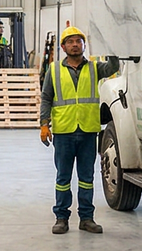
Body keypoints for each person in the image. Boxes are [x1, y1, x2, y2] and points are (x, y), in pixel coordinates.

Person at [40, 26, 118, 234]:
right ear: (63, 46)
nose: (75, 44)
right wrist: (44, 125)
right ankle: (61, 218)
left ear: (84, 45)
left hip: (87, 131)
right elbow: (46, 97)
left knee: (87, 178)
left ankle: (86, 218)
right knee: (63, 178)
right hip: (64, 132)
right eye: (71, 41)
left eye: (79, 41)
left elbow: (113, 66)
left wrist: (109, 44)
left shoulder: (95, 68)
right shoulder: (54, 70)